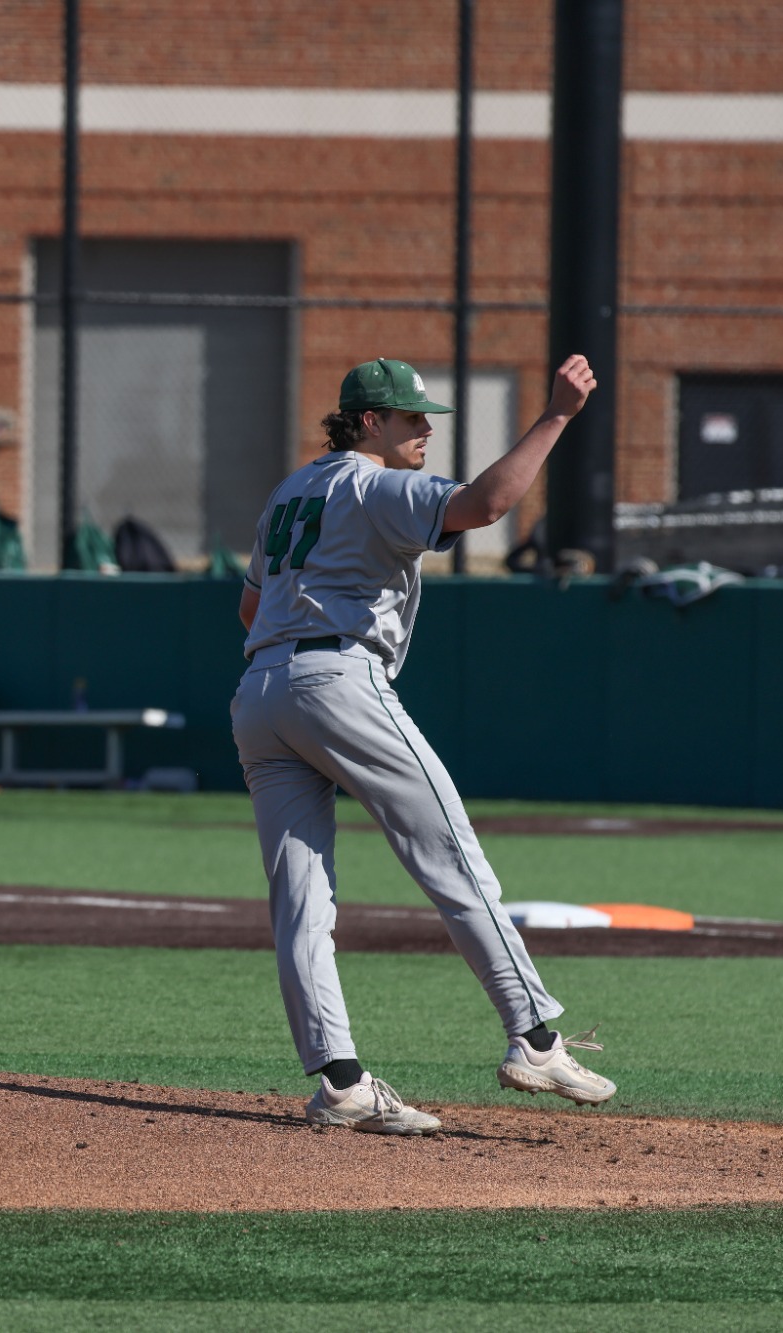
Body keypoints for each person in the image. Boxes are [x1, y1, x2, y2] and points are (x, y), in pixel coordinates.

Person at [232, 354, 608, 1135]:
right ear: (369, 422)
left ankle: (339, 1081)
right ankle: (535, 1037)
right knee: (452, 854)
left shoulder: (288, 490)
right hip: (337, 681)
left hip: (260, 693)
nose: (427, 428)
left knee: (301, 901)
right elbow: (489, 502)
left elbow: (250, 607)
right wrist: (558, 416)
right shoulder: (373, 484)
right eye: (411, 418)